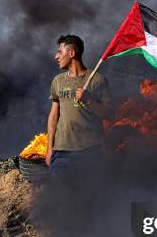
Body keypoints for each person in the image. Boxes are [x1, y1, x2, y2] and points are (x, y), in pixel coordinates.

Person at [46, 35, 113, 176]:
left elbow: (110, 114)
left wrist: (89, 100)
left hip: (90, 150)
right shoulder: (58, 81)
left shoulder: (97, 80)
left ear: (71, 53)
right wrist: (49, 148)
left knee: (89, 196)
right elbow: (53, 116)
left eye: (60, 52)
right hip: (61, 152)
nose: (56, 56)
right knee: (59, 194)